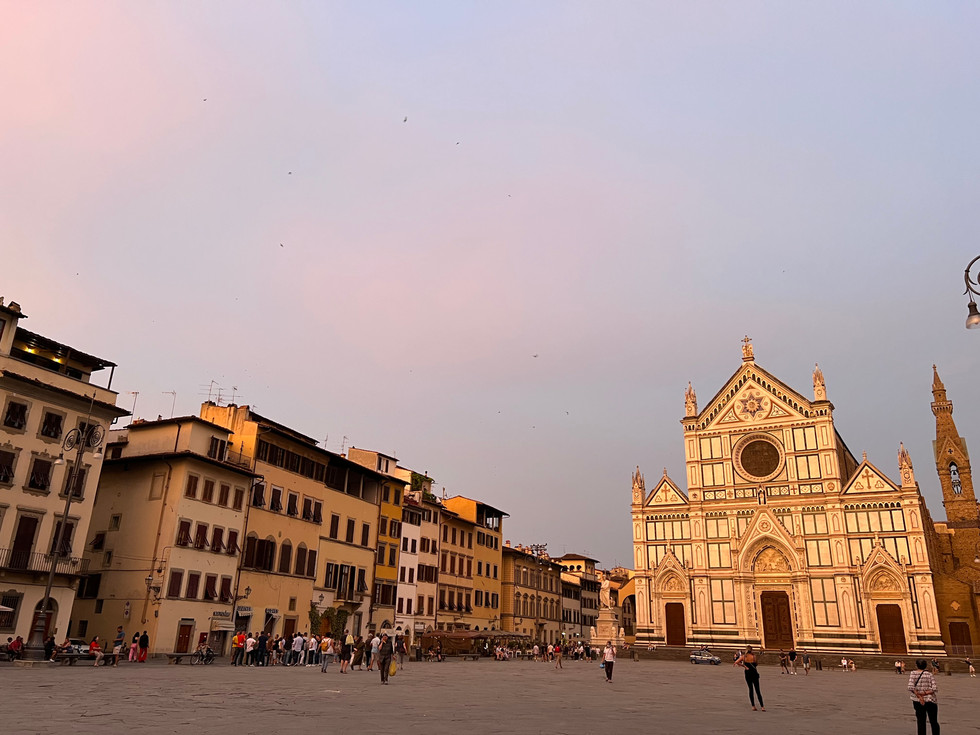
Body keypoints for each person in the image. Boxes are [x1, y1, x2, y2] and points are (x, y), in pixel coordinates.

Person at [908, 658, 940, 735]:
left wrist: (920, 697)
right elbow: (934, 688)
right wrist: (924, 694)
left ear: (917, 665)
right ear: (925, 666)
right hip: (930, 700)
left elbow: (910, 687)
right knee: (934, 721)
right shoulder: (929, 674)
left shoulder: (913, 673)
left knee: (921, 722)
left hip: (918, 701)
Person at [734, 645, 765, 711]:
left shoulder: (744, 657)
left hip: (747, 673)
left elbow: (736, 662)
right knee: (758, 690)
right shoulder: (754, 656)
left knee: (751, 689)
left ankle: (753, 706)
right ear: (751, 650)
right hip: (754, 673)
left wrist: (745, 666)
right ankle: (762, 707)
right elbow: (756, 664)